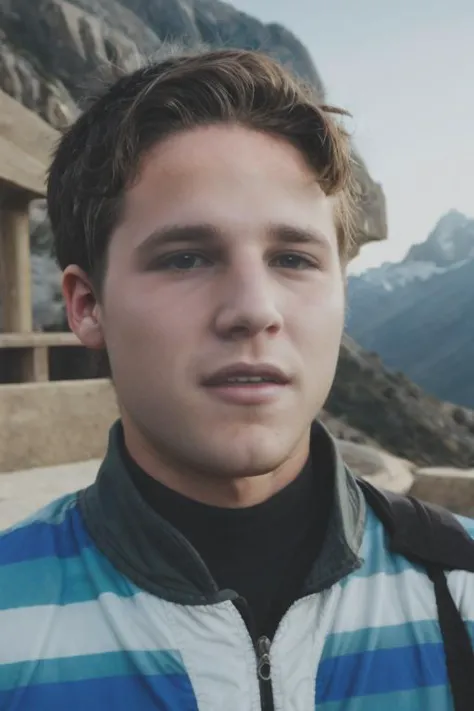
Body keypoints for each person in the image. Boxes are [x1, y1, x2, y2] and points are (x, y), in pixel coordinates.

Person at [0, 47, 472, 711]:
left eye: (293, 257)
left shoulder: (462, 586)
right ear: (86, 306)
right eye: (185, 257)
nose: (254, 307)